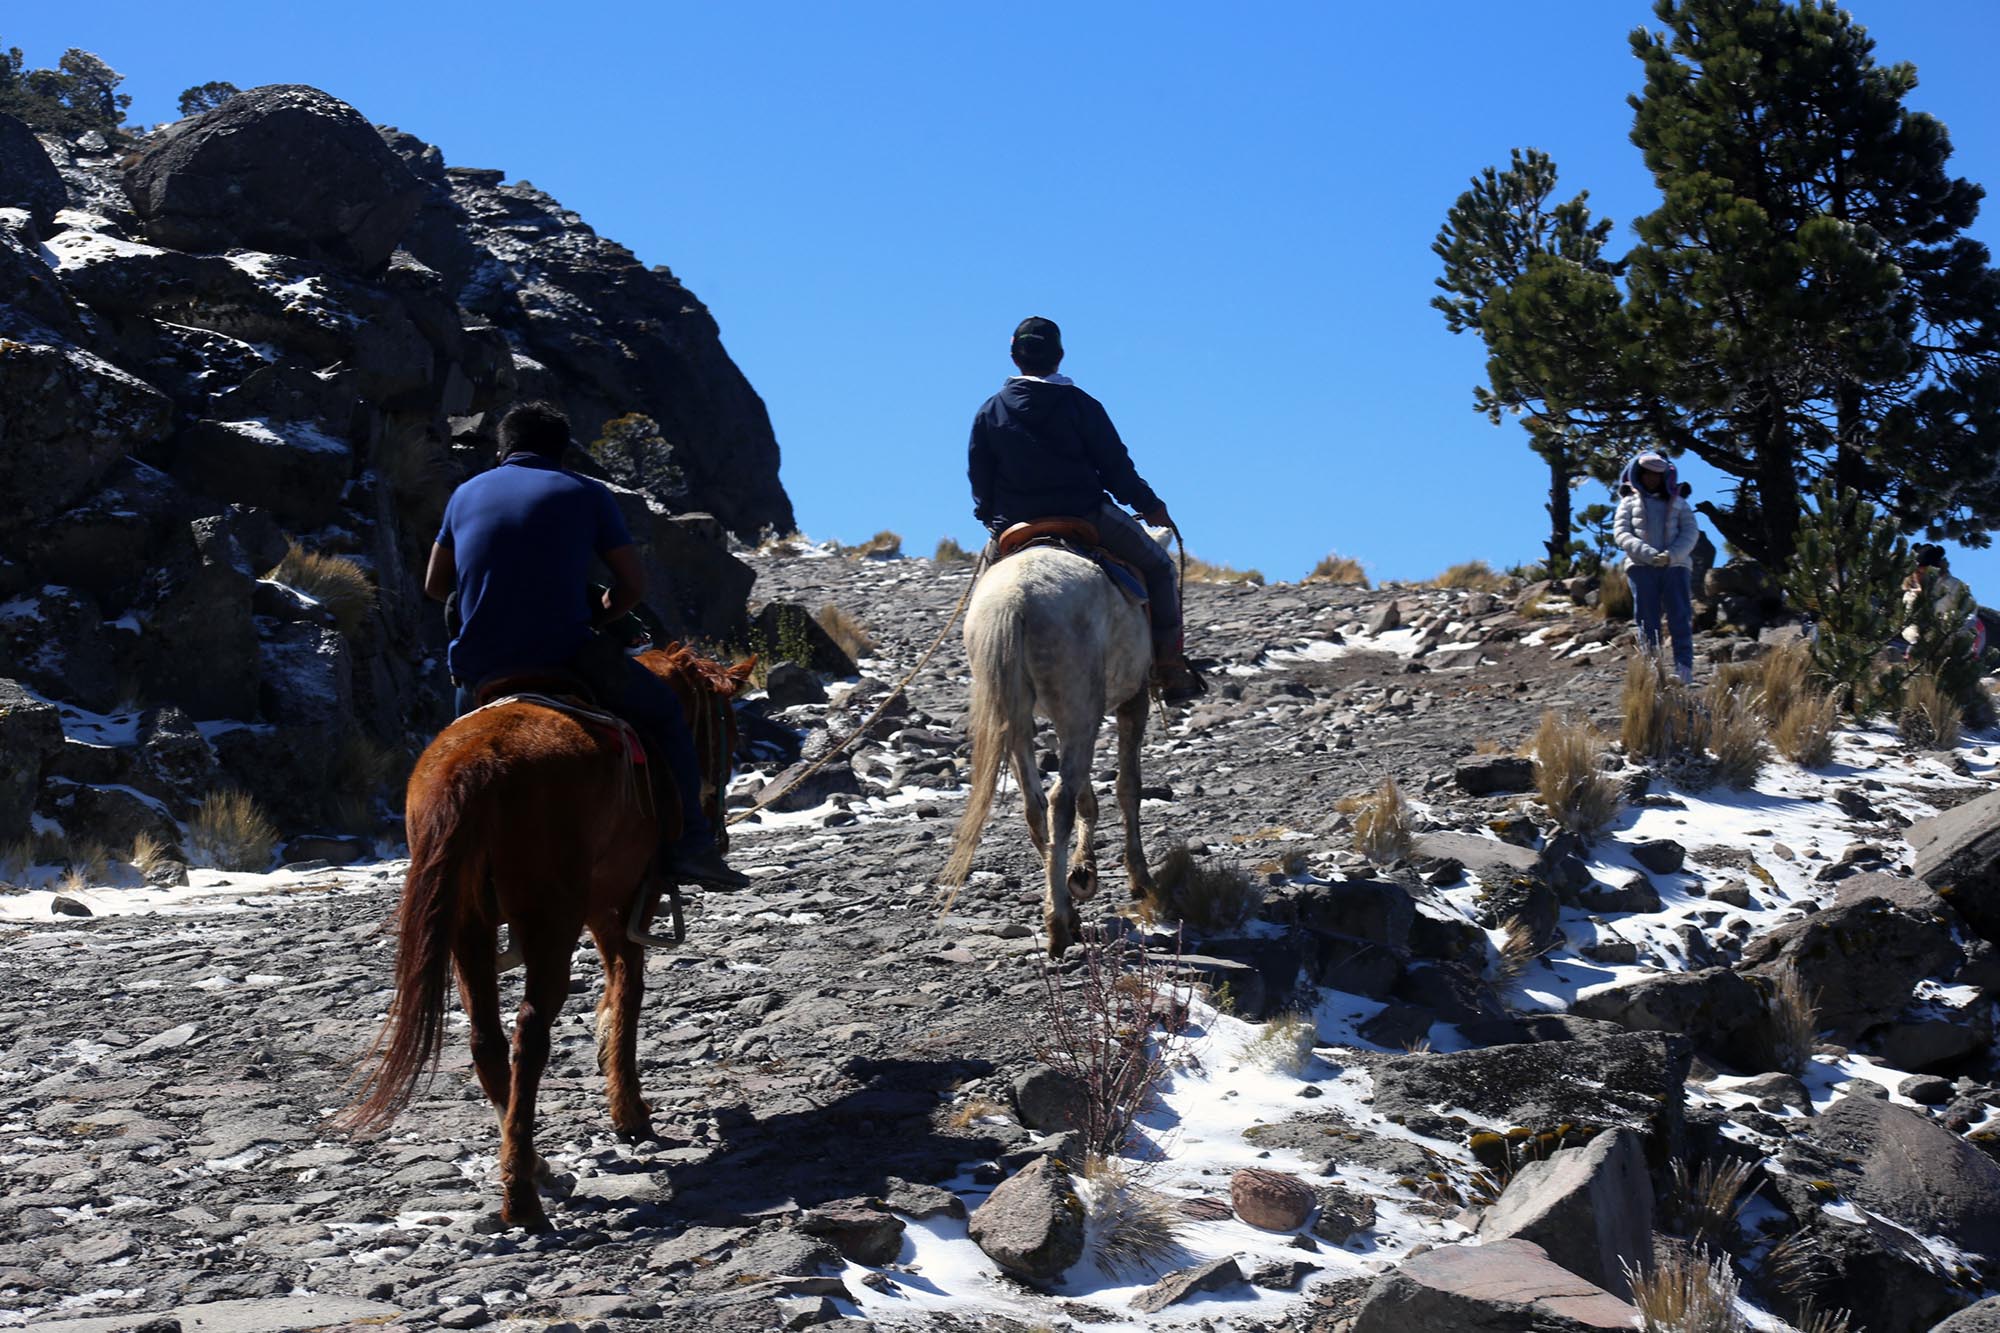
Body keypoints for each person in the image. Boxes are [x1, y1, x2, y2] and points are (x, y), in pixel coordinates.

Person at [425, 400, 748, 890]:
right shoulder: (585, 492)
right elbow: (632, 587)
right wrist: (597, 611)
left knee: (457, 746)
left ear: (503, 448)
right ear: (563, 451)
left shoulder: (464, 494)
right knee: (664, 714)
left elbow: (434, 584)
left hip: (480, 663)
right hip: (564, 651)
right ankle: (693, 847)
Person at [967, 316, 1206, 702]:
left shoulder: (990, 411)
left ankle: (984, 672)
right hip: (1084, 515)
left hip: (1014, 523)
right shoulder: (1082, 406)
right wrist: (1150, 505)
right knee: (1161, 568)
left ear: (1014, 357)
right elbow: (1115, 469)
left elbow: (980, 476)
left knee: (984, 594)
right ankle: (1169, 668)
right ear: (1059, 356)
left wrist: (991, 517)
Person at [1613, 451, 1699, 682]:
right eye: (1647, 474)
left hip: (1676, 566)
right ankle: (1653, 668)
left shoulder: (1679, 503)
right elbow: (1622, 534)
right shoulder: (1628, 503)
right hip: (1641, 567)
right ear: (1638, 475)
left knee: (1679, 616)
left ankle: (1684, 668)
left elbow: (1690, 532)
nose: (1652, 479)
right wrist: (1649, 554)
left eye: (1656, 475)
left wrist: (1671, 555)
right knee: (1646, 618)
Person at [1903, 543, 1986, 658]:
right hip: (1926, 641)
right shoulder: (1911, 596)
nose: (1921, 577)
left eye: (1926, 572)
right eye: (1918, 573)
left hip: (1955, 637)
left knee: (1975, 624)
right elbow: (1908, 624)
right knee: (1912, 652)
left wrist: (1950, 629)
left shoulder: (1954, 586)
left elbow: (1969, 612)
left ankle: (1969, 663)